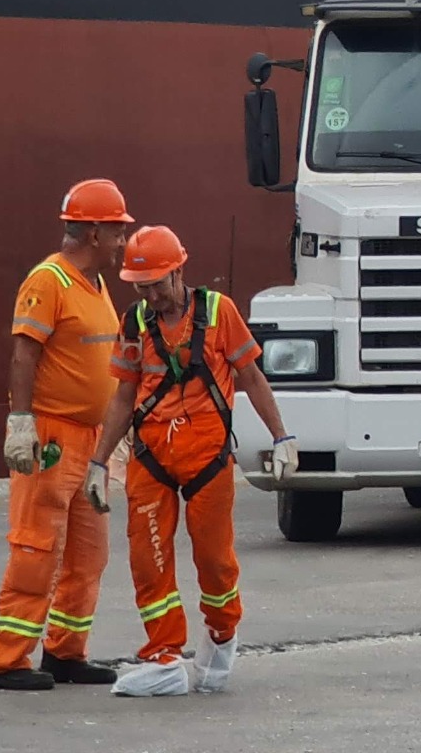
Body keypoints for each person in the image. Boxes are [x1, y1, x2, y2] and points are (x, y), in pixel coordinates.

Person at [89, 225, 297, 699]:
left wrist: (282, 436)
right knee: (148, 559)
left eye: (157, 284)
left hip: (207, 461)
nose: (150, 295)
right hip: (151, 458)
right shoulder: (133, 322)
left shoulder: (219, 313)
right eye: (140, 287)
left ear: (179, 270)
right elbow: (124, 395)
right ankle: (163, 655)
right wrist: (99, 463)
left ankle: (221, 638)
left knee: (215, 562)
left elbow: (251, 376)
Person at [0, 179, 133, 692]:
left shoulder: (94, 284)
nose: (121, 241)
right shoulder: (48, 281)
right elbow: (25, 353)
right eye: (116, 231)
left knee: (88, 554)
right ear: (93, 231)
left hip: (91, 441)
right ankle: (6, 660)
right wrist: (20, 422)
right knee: (37, 547)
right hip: (50, 436)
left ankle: (66, 652)